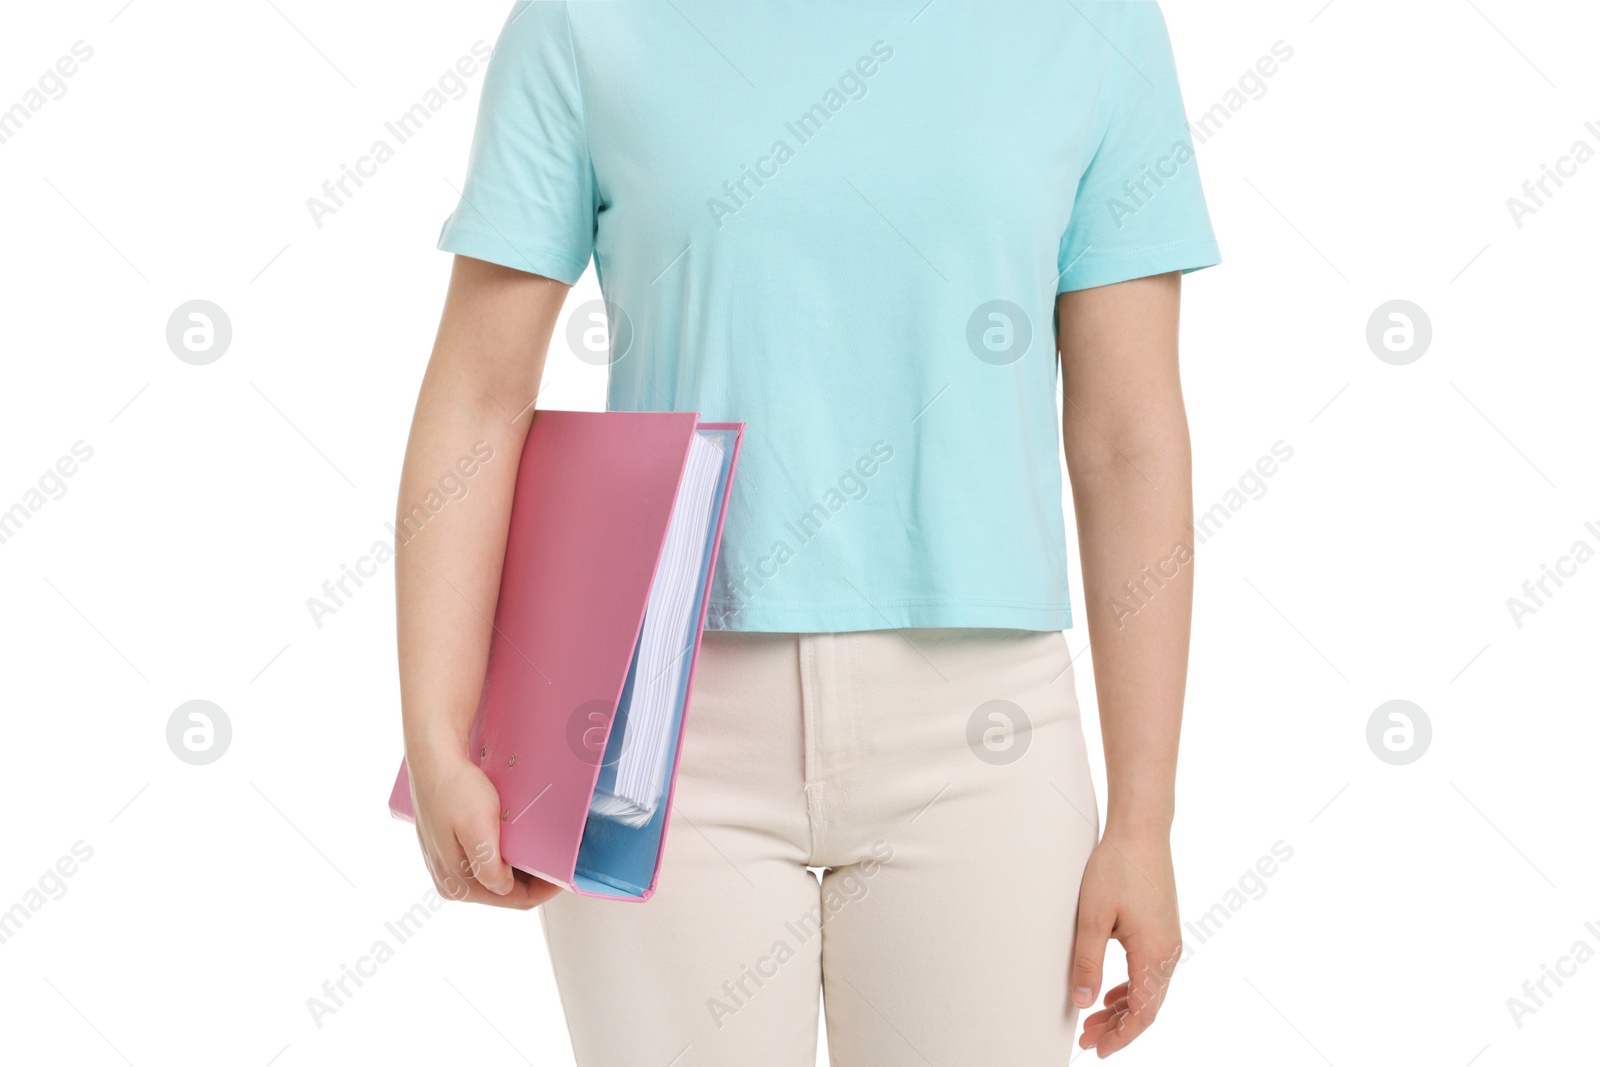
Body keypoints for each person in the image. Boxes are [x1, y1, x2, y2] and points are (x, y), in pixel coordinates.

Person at [396, 2, 1218, 1062]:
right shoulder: (585, 20)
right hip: (654, 732)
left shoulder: (1089, 25)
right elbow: (477, 392)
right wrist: (434, 723)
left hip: (982, 736)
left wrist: (1143, 817)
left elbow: (1127, 438)